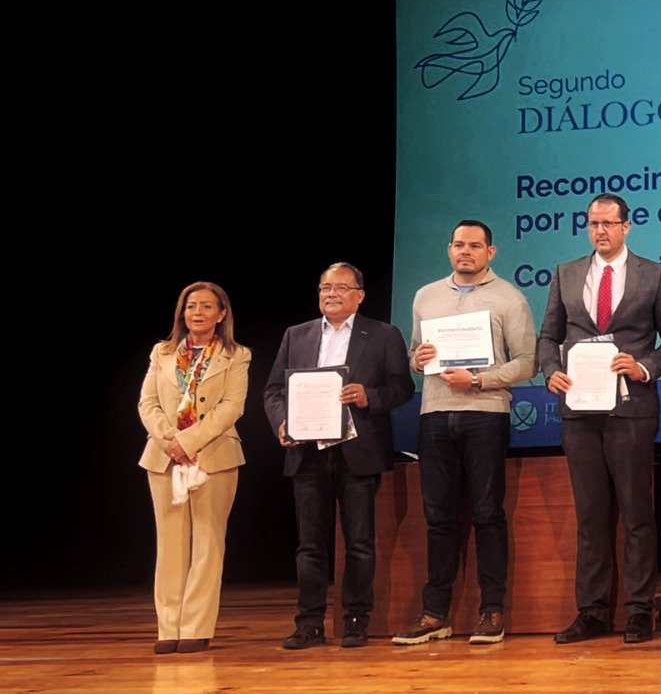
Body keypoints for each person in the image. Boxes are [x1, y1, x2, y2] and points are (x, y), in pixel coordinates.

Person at [540, 195, 661, 645]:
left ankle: (639, 609)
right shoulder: (566, 273)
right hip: (579, 409)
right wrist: (551, 370)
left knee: (637, 514)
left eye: (607, 223)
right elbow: (549, 335)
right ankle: (592, 611)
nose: (599, 231)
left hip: (631, 410)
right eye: (592, 224)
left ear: (626, 226)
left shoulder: (653, 275)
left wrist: (644, 367)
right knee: (590, 516)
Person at [392, 220, 537, 647]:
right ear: (449, 249)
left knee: (487, 514)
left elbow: (527, 362)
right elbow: (415, 354)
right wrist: (418, 359)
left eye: (475, 246)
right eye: (459, 245)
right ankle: (434, 613)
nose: (465, 252)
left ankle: (492, 610)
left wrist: (478, 380)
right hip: (435, 413)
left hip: (485, 413)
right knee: (438, 517)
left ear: (490, 252)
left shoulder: (509, 297)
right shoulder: (425, 295)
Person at [263, 262, 413, 650]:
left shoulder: (383, 334)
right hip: (307, 452)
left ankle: (356, 620)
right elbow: (274, 391)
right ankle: (309, 622)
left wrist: (369, 396)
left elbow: (402, 387)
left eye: (341, 287)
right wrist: (282, 423)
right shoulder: (296, 335)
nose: (331, 293)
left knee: (360, 542)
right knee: (309, 545)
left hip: (358, 451)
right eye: (325, 287)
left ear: (359, 296)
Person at [137, 281, 251, 654]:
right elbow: (147, 403)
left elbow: (232, 406)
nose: (197, 312)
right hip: (164, 456)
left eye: (205, 306)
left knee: (208, 543)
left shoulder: (236, 355)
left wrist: (189, 442)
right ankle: (168, 627)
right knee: (169, 544)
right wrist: (170, 440)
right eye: (190, 306)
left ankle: (196, 627)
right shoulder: (162, 352)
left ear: (221, 314)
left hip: (215, 456)